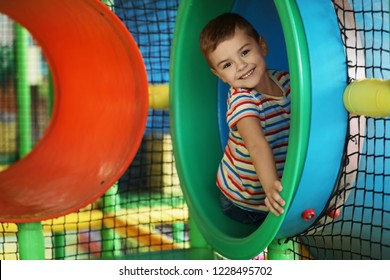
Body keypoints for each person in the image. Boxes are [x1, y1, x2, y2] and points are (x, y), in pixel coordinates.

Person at [199, 13, 290, 225]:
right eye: (227, 65)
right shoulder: (242, 100)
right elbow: (256, 144)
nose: (241, 66)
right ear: (220, 75)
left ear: (262, 46)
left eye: (245, 52)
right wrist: (270, 187)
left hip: (272, 189)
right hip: (241, 200)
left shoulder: (287, 82)